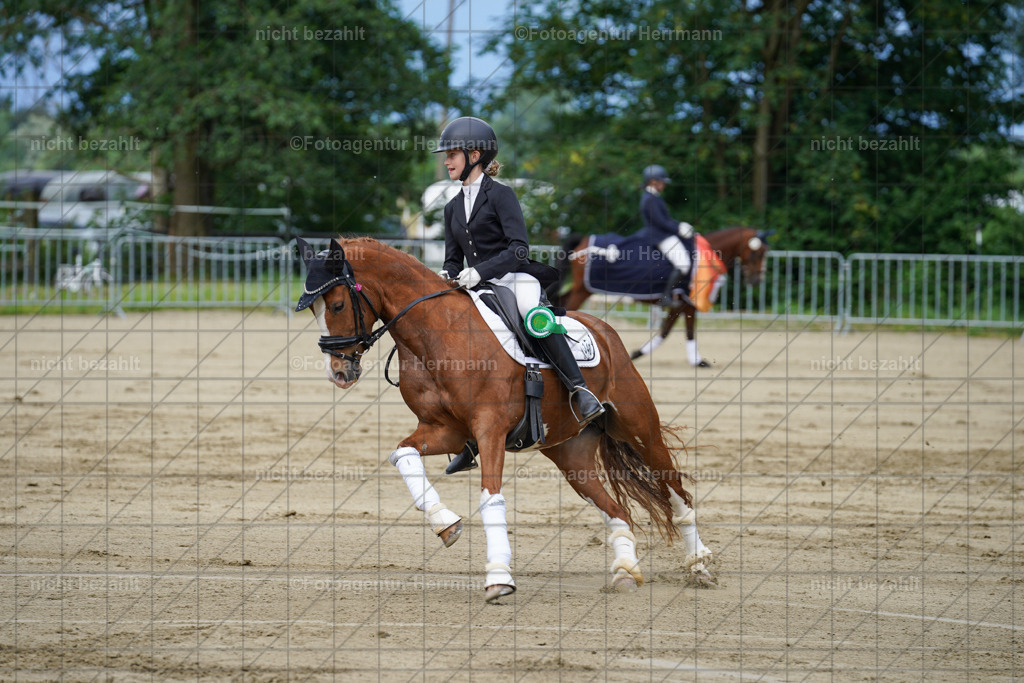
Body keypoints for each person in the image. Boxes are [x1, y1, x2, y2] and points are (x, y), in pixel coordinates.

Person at [433, 117, 604, 473]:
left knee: (532, 316)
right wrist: (445, 276)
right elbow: (452, 259)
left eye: (452, 154)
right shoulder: (451, 207)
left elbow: (519, 249)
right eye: (446, 155)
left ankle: (579, 389)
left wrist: (480, 271)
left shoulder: (501, 195)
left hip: (514, 278)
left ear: (475, 154)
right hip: (476, 286)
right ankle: (468, 436)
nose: (447, 161)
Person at [637, 164, 697, 308]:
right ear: (653, 181)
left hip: (663, 233)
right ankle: (665, 297)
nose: (664, 185)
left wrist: (680, 225)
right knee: (683, 264)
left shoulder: (653, 197)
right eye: (662, 181)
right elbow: (660, 222)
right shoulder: (650, 199)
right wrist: (679, 229)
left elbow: (666, 220)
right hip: (659, 236)